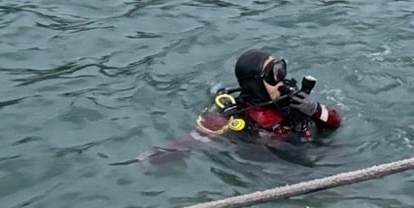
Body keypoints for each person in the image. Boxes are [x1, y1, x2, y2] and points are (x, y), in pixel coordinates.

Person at [141, 49, 342, 166]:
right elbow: (189, 142)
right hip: (276, 166)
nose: (281, 80)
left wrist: (315, 109)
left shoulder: (293, 99)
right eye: (274, 74)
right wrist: (150, 158)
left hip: (315, 149)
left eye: (281, 70)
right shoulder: (233, 116)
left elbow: (336, 122)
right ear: (255, 83)